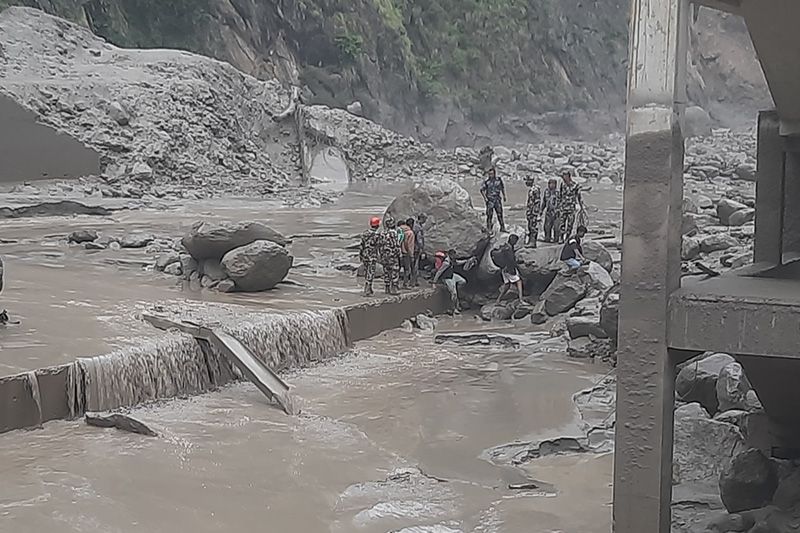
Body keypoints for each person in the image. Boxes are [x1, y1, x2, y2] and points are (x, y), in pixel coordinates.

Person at [432, 249, 468, 314]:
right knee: (454, 294)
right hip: (447, 278)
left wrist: (466, 261)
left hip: (452, 275)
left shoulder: (452, 260)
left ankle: (457, 290)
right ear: (450, 255)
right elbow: (439, 272)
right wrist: (434, 282)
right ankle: (453, 308)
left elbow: (458, 263)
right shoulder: (446, 263)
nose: (455, 256)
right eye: (454, 255)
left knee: (463, 281)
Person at [493, 234, 525, 304]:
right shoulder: (509, 249)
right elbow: (512, 261)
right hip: (508, 269)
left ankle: (498, 300)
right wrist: (523, 262)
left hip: (503, 268)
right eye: (516, 241)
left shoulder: (505, 246)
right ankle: (521, 300)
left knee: (507, 285)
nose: (516, 243)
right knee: (519, 281)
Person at [359, 216, 382, 297]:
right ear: (377, 225)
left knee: (366, 271)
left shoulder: (365, 233)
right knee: (371, 272)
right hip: (372, 256)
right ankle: (367, 289)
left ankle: (369, 288)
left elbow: (361, 245)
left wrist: (360, 255)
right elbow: (379, 246)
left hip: (365, 255)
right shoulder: (377, 235)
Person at [379, 217, 402, 295]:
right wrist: (399, 254)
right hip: (392, 255)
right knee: (394, 271)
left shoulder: (382, 233)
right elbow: (396, 244)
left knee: (386, 271)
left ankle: (387, 288)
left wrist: (381, 254)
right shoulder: (394, 233)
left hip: (384, 255)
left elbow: (380, 245)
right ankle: (394, 289)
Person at [558, 171, 583, 243]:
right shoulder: (562, 184)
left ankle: (567, 237)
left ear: (568, 176)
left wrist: (581, 206)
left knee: (570, 224)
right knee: (562, 223)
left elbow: (579, 196)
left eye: (564, 176)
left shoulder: (575, 185)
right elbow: (560, 195)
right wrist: (558, 205)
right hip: (563, 207)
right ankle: (561, 237)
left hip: (571, 208)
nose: (563, 177)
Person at [480, 168, 506, 233]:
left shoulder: (499, 180)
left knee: (500, 214)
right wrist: (485, 198)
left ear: (494, 174)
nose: (490, 175)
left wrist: (504, 196)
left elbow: (502, 188)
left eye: (491, 174)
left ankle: (502, 228)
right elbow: (482, 190)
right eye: (489, 174)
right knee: (489, 215)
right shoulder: (487, 182)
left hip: (497, 199)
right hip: (490, 200)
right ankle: (489, 228)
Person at [525, 177, 543, 247]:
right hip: (530, 211)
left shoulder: (535, 189)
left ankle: (533, 242)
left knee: (533, 227)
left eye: (527, 181)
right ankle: (530, 241)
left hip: (533, 212)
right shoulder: (531, 189)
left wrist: (535, 213)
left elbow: (537, 202)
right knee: (530, 226)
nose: (526, 182)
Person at [399, 219, 416, 289]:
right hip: (406, 253)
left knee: (397, 269)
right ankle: (405, 284)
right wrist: (411, 255)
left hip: (397, 253)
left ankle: (394, 284)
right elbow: (410, 245)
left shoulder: (399, 231)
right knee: (407, 269)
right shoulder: (410, 233)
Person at [542, 178, 561, 243]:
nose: (551, 185)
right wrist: (541, 211)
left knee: (556, 227)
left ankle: (556, 239)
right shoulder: (546, 192)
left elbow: (562, 202)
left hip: (556, 212)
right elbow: (544, 202)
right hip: (548, 212)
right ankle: (547, 238)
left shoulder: (558, 192)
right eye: (550, 183)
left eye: (553, 184)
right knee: (547, 227)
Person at [411, 213, 427, 286]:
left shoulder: (414, 225)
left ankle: (413, 280)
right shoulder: (418, 227)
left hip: (412, 247)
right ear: (422, 218)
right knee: (415, 265)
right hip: (416, 248)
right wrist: (422, 250)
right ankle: (414, 281)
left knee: (412, 264)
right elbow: (419, 240)